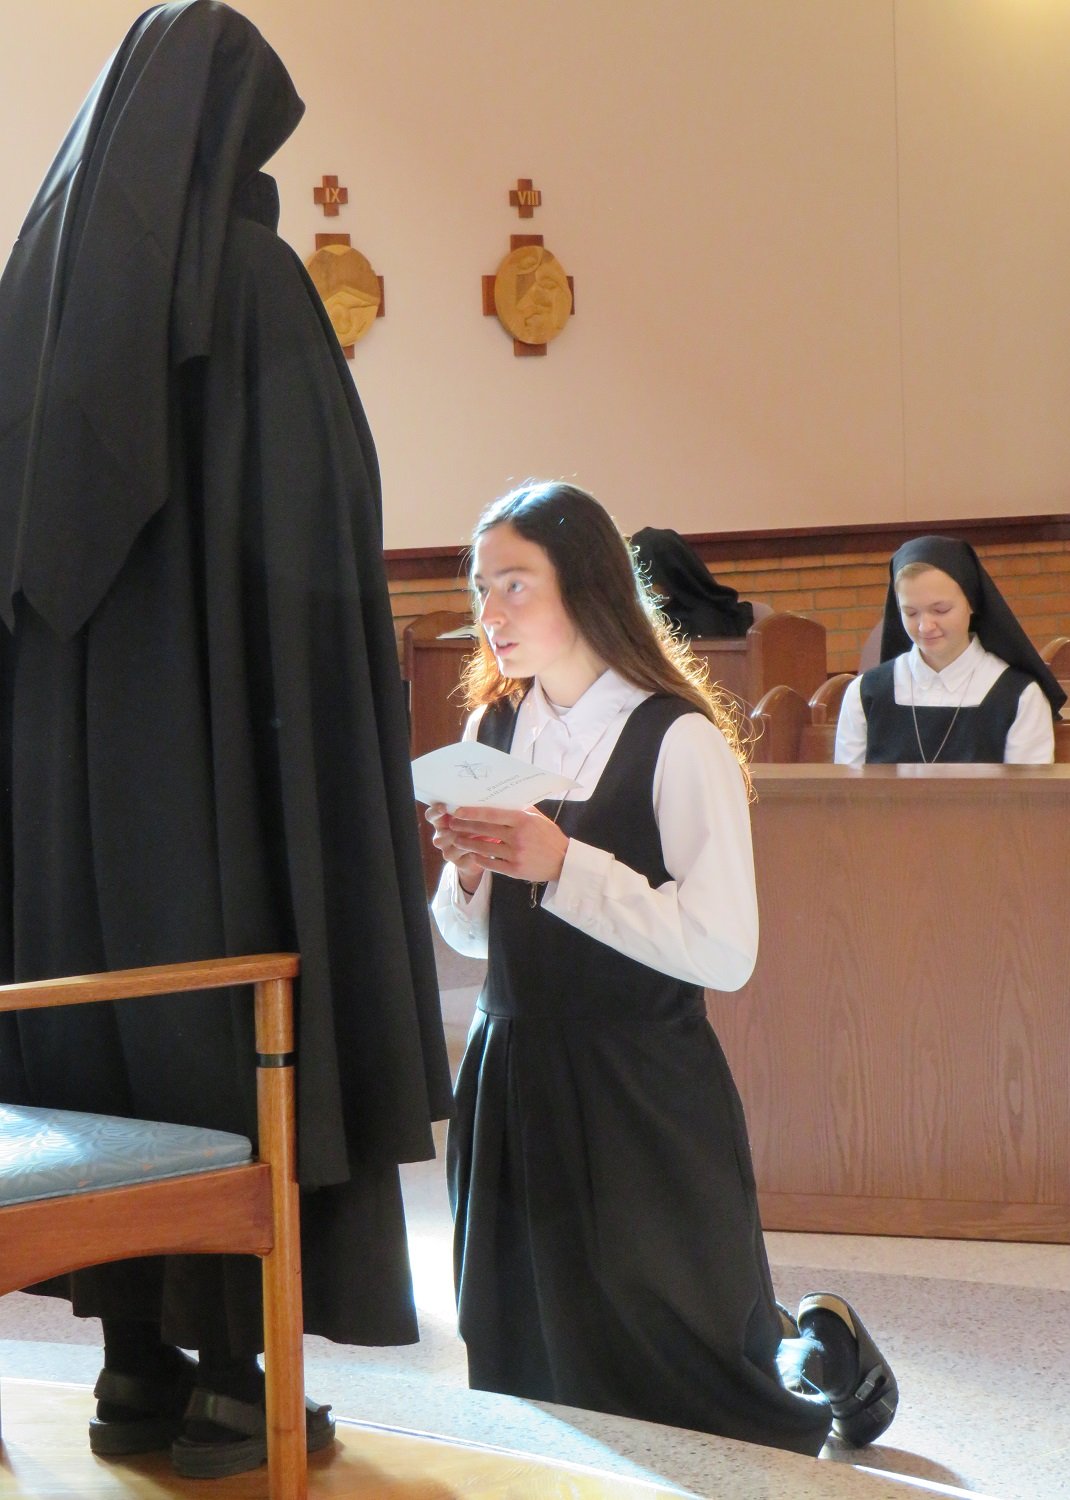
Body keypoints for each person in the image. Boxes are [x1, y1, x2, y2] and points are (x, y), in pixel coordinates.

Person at [0, 1, 451, 1478]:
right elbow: (322, 548)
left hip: (60, 812)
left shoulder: (30, 302)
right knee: (231, 1042)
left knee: (102, 1048)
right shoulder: (252, 287)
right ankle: (237, 1384)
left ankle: (134, 1374)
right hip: (227, 777)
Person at [425, 480, 898, 1455]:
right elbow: (474, 944)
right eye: (482, 589)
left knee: (703, 1381)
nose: (490, 614)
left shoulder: (679, 740)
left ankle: (834, 1354)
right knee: (527, 1367)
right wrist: (470, 874)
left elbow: (726, 950)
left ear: (589, 586)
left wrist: (564, 865)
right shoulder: (493, 732)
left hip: (641, 1083)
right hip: (512, 1075)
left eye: (516, 585)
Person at [835, 535, 1064, 766]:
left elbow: (1028, 797)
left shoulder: (1020, 696)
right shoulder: (865, 693)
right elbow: (847, 793)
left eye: (941, 610)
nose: (925, 626)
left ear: (971, 603)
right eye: (911, 613)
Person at [630, 525, 757, 638]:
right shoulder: (636, 619)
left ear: (672, 576)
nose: (642, 589)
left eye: (648, 580)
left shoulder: (708, 620)